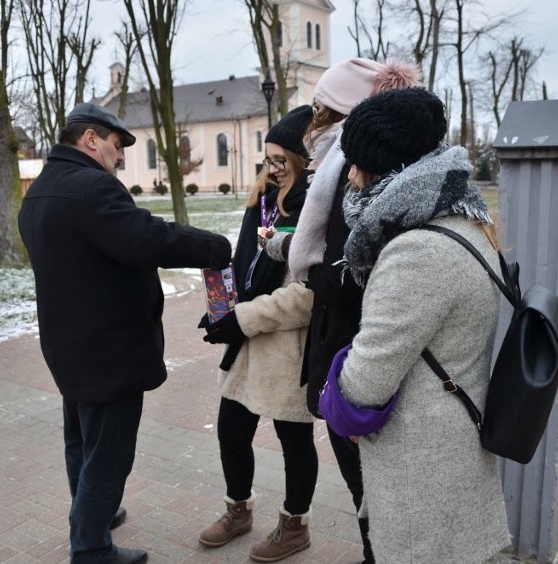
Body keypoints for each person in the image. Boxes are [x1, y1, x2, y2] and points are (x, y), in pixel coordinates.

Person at [18, 102, 231, 564]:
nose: (120, 158)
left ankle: (94, 513)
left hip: (69, 344)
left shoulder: (41, 189)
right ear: (90, 139)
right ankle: (91, 548)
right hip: (107, 349)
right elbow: (146, 238)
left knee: (81, 440)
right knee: (109, 454)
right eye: (117, 146)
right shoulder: (92, 188)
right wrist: (214, 247)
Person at [333, 87, 511, 562]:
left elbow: (368, 379)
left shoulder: (416, 250)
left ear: (385, 167)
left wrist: (338, 390)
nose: (349, 176)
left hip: (424, 460)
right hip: (453, 439)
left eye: (355, 163)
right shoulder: (465, 220)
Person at [262, 57, 421, 564]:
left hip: (355, 350)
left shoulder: (354, 175)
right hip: (348, 342)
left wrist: (304, 267)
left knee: (369, 481)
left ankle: (381, 555)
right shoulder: (342, 169)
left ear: (341, 114)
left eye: (319, 108)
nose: (311, 120)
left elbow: (352, 271)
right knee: (368, 482)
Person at [198, 105, 317, 563]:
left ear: (304, 161)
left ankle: (295, 525)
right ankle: (238, 510)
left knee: (294, 439)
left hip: (287, 347)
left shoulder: (313, 207)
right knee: (231, 430)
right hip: (247, 341)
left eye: (281, 161)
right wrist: (220, 311)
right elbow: (245, 263)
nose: (272, 169)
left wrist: (242, 317)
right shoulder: (262, 199)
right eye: (267, 160)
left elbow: (307, 296)